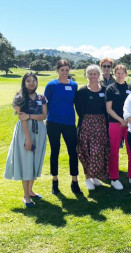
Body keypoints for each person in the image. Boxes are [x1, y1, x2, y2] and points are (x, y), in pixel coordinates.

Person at [5, 73, 47, 207]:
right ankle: (26, 196)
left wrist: (29, 115)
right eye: (28, 81)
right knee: (27, 162)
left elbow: (44, 116)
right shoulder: (19, 98)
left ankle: (30, 190)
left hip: (39, 130)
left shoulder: (42, 97)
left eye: (34, 80)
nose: (31, 83)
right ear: (24, 83)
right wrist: (28, 139)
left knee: (35, 161)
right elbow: (23, 120)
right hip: (25, 132)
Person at [45, 59, 82, 195]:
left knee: (73, 152)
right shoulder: (51, 85)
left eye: (67, 70)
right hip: (53, 123)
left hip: (69, 123)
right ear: (57, 70)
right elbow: (46, 104)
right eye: (62, 70)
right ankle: (55, 182)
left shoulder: (74, 85)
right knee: (55, 151)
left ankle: (75, 182)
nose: (65, 73)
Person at [75, 65, 109, 190]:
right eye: (90, 74)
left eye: (95, 73)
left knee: (98, 151)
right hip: (86, 124)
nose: (92, 76)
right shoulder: (82, 92)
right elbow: (79, 110)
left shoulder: (105, 90)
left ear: (99, 75)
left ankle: (94, 175)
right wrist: (88, 121)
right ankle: (88, 177)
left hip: (101, 125)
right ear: (86, 75)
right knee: (86, 151)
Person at [105, 64, 131, 190]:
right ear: (115, 74)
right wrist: (120, 120)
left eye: (122, 73)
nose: (120, 75)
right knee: (114, 151)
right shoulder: (110, 89)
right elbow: (108, 109)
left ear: (126, 74)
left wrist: (128, 120)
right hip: (114, 123)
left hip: (129, 123)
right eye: (118, 73)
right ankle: (114, 178)